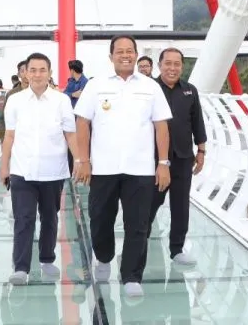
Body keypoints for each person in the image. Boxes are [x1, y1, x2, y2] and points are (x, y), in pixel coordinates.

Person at [74, 35, 172, 299]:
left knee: (138, 224)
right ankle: (104, 258)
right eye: (120, 52)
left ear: (136, 54)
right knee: (100, 220)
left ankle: (131, 276)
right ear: (111, 57)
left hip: (140, 169)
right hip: (103, 168)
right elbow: (82, 122)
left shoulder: (151, 87)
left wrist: (163, 163)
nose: (125, 55)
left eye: (130, 51)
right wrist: (83, 160)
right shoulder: (96, 86)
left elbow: (161, 125)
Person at [0, 52, 83, 285]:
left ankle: (47, 258)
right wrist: (4, 167)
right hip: (21, 169)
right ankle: (21, 267)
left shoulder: (61, 101)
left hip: (52, 170)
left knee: (50, 217)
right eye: (32, 70)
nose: (37, 74)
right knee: (23, 218)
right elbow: (9, 136)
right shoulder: (15, 100)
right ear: (25, 73)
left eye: (42, 70)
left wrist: (78, 160)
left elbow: (70, 133)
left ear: (50, 73)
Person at [147, 47, 206, 266]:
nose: (172, 68)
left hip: (183, 157)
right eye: (168, 63)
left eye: (177, 64)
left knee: (180, 205)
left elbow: (197, 122)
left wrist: (201, 151)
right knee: (150, 202)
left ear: (182, 66)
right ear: (160, 65)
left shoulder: (190, 90)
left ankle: (177, 249)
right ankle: (140, 243)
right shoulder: (150, 89)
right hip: (153, 159)